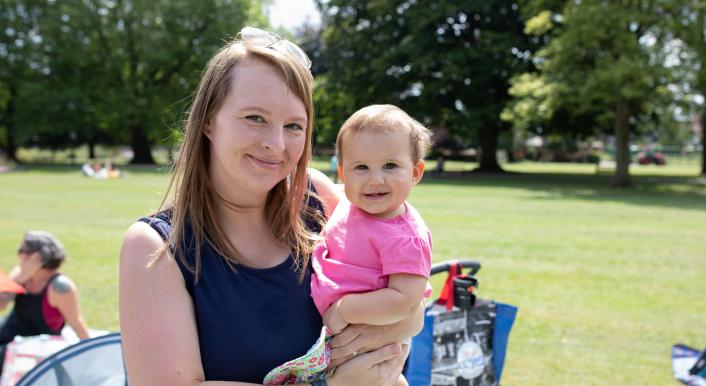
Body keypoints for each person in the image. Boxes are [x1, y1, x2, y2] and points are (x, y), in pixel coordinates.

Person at [119, 26, 422, 386]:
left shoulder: (320, 200)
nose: (276, 145)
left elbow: (409, 299)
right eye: (255, 118)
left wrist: (403, 320)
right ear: (209, 121)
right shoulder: (155, 249)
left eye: (294, 125)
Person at [309, 105, 432, 385]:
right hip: (338, 345)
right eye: (361, 167)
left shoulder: (404, 237)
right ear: (343, 173)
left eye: (390, 166)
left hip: (367, 346)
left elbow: (406, 300)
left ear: (415, 172)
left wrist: (345, 310)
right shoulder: (348, 205)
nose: (375, 180)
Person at [0, 231, 90, 374]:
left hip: (34, 348)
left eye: (23, 251)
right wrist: (20, 280)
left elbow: (77, 324)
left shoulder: (60, 287)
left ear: (39, 257)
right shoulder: (19, 273)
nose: (19, 255)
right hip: (8, 335)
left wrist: (90, 355)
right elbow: (1, 305)